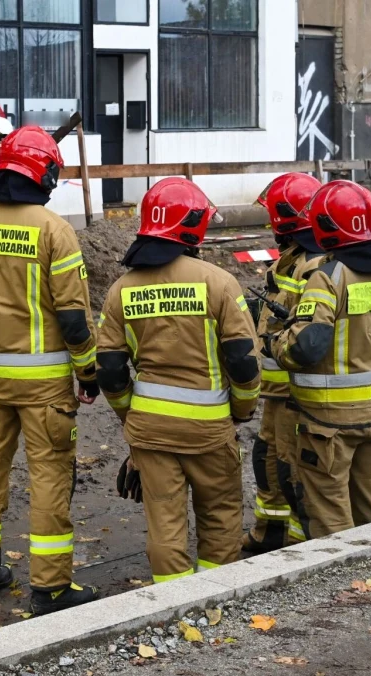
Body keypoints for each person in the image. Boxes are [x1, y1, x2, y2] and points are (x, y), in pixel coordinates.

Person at [0, 126, 101, 615]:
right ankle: (50, 587)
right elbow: (74, 318)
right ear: (44, 172)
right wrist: (88, 373)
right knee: (49, 476)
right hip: (45, 387)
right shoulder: (54, 230)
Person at [96, 178, 260, 583]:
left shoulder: (121, 290)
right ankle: (215, 595)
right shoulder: (220, 283)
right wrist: (241, 411)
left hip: (150, 433)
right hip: (210, 430)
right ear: (194, 226)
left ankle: (174, 602)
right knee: (220, 514)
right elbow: (244, 362)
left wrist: (130, 417)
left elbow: (110, 371)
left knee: (165, 523)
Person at [268, 181, 371, 539]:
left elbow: (305, 349)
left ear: (325, 226)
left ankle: (344, 575)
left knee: (329, 512)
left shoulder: (328, 277)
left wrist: (277, 342)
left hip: (327, 423)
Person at [243, 173, 324, 554]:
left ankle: (298, 545)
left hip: (296, 388)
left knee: (292, 468)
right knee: (269, 459)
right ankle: (270, 531)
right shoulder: (293, 259)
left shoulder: (314, 264)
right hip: (277, 388)